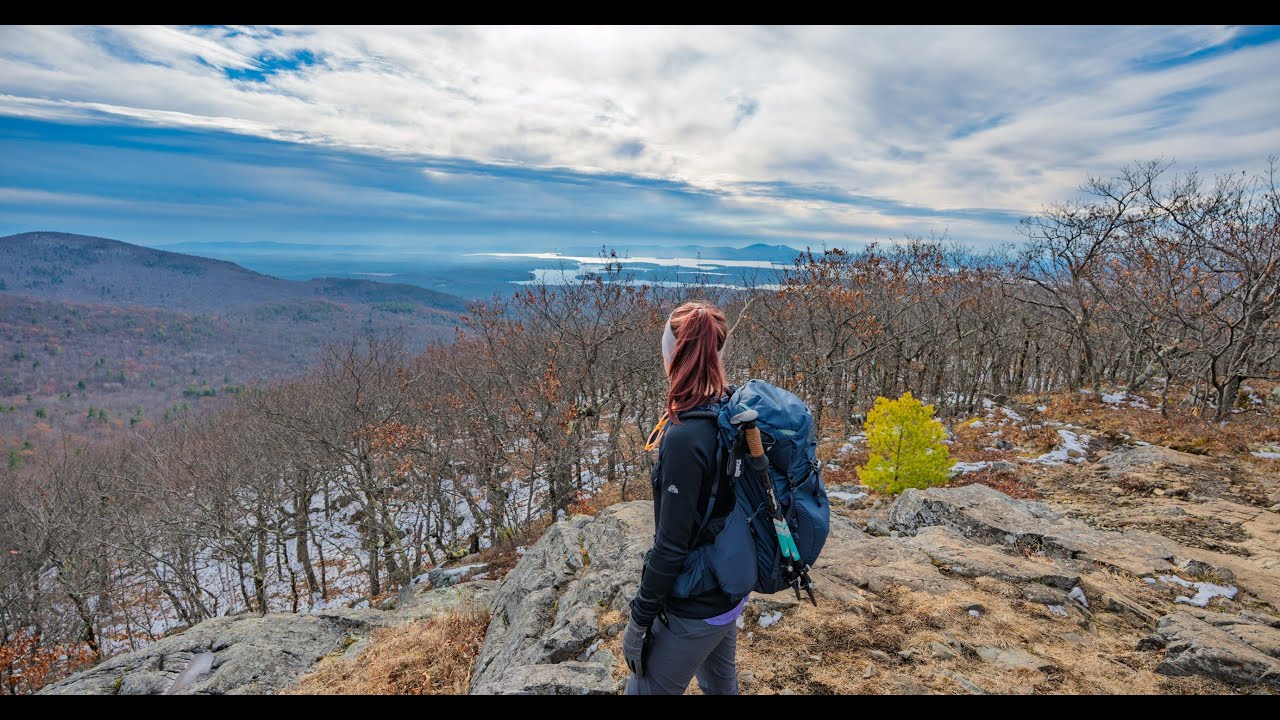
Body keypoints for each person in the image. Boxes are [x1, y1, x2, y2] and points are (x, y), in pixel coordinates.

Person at [623, 300, 748, 695]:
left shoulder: (684, 437)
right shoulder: (731, 411)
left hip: (696, 603)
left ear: (671, 356)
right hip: (729, 587)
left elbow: (672, 545)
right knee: (721, 687)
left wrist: (639, 619)